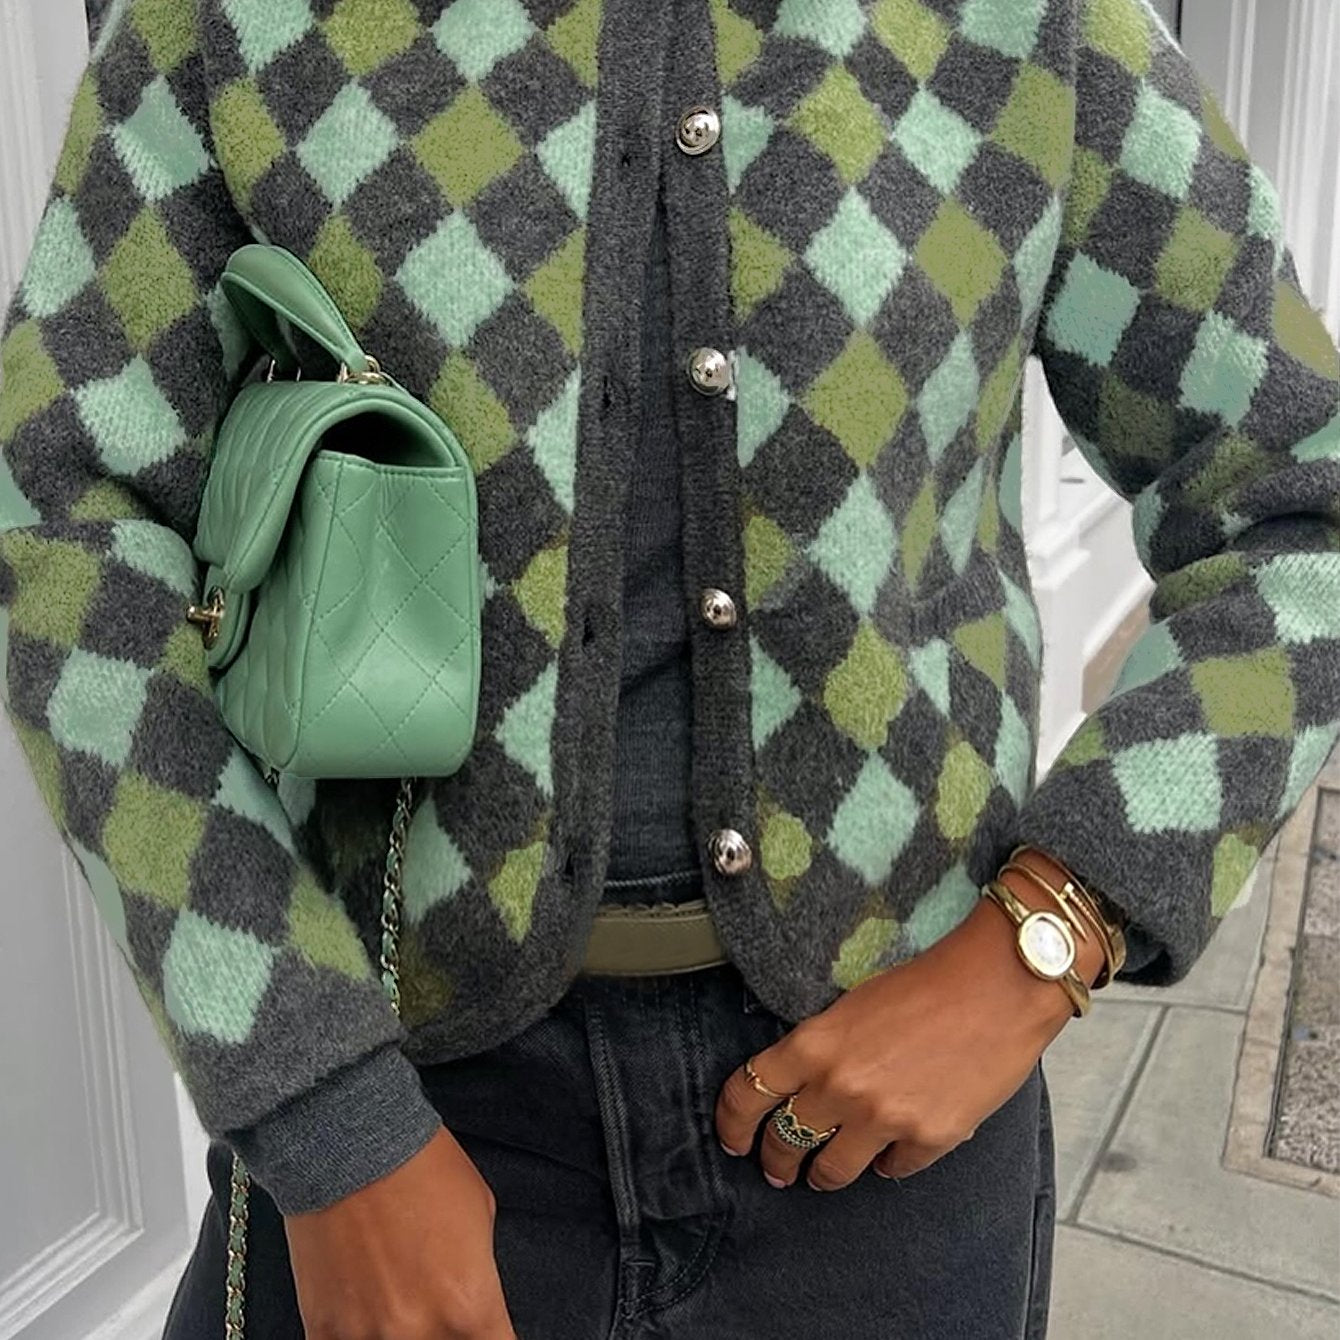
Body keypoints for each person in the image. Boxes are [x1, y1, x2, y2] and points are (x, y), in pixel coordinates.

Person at [2, 0, 1338, 1336]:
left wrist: (1045, 939)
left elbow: (1299, 505)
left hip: (887, 1152)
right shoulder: (237, 24)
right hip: (397, 1123)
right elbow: (60, 526)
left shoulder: (1031, 30)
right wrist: (321, 1116)